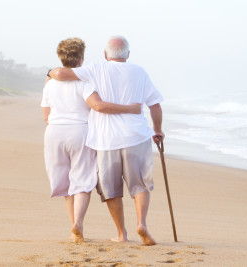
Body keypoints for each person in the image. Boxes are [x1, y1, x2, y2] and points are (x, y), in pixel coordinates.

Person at [48, 35, 164, 246]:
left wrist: (49, 72)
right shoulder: (140, 72)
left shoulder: (96, 69)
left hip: (105, 140)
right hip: (136, 136)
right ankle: (142, 224)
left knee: (111, 190)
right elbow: (155, 104)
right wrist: (158, 130)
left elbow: (61, 73)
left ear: (105, 54)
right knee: (139, 185)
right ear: (128, 54)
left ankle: (121, 233)